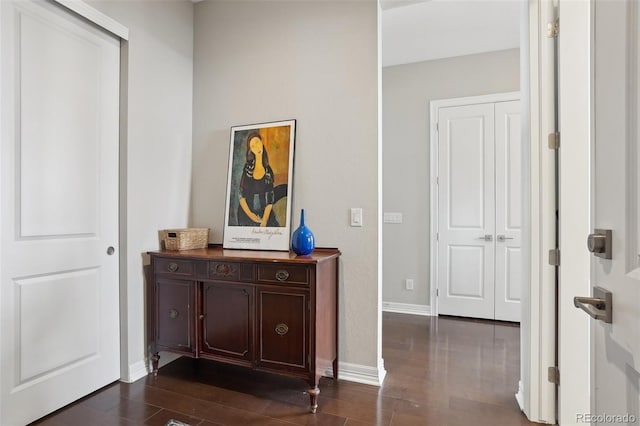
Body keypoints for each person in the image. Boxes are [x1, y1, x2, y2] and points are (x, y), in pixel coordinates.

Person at [236, 132, 280, 227]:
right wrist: (251, 216)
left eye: (257, 142)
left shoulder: (268, 171)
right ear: (251, 150)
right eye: (253, 146)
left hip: (264, 213)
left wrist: (264, 221)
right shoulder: (248, 168)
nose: (256, 147)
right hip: (246, 213)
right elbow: (241, 195)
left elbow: (270, 201)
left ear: (261, 142)